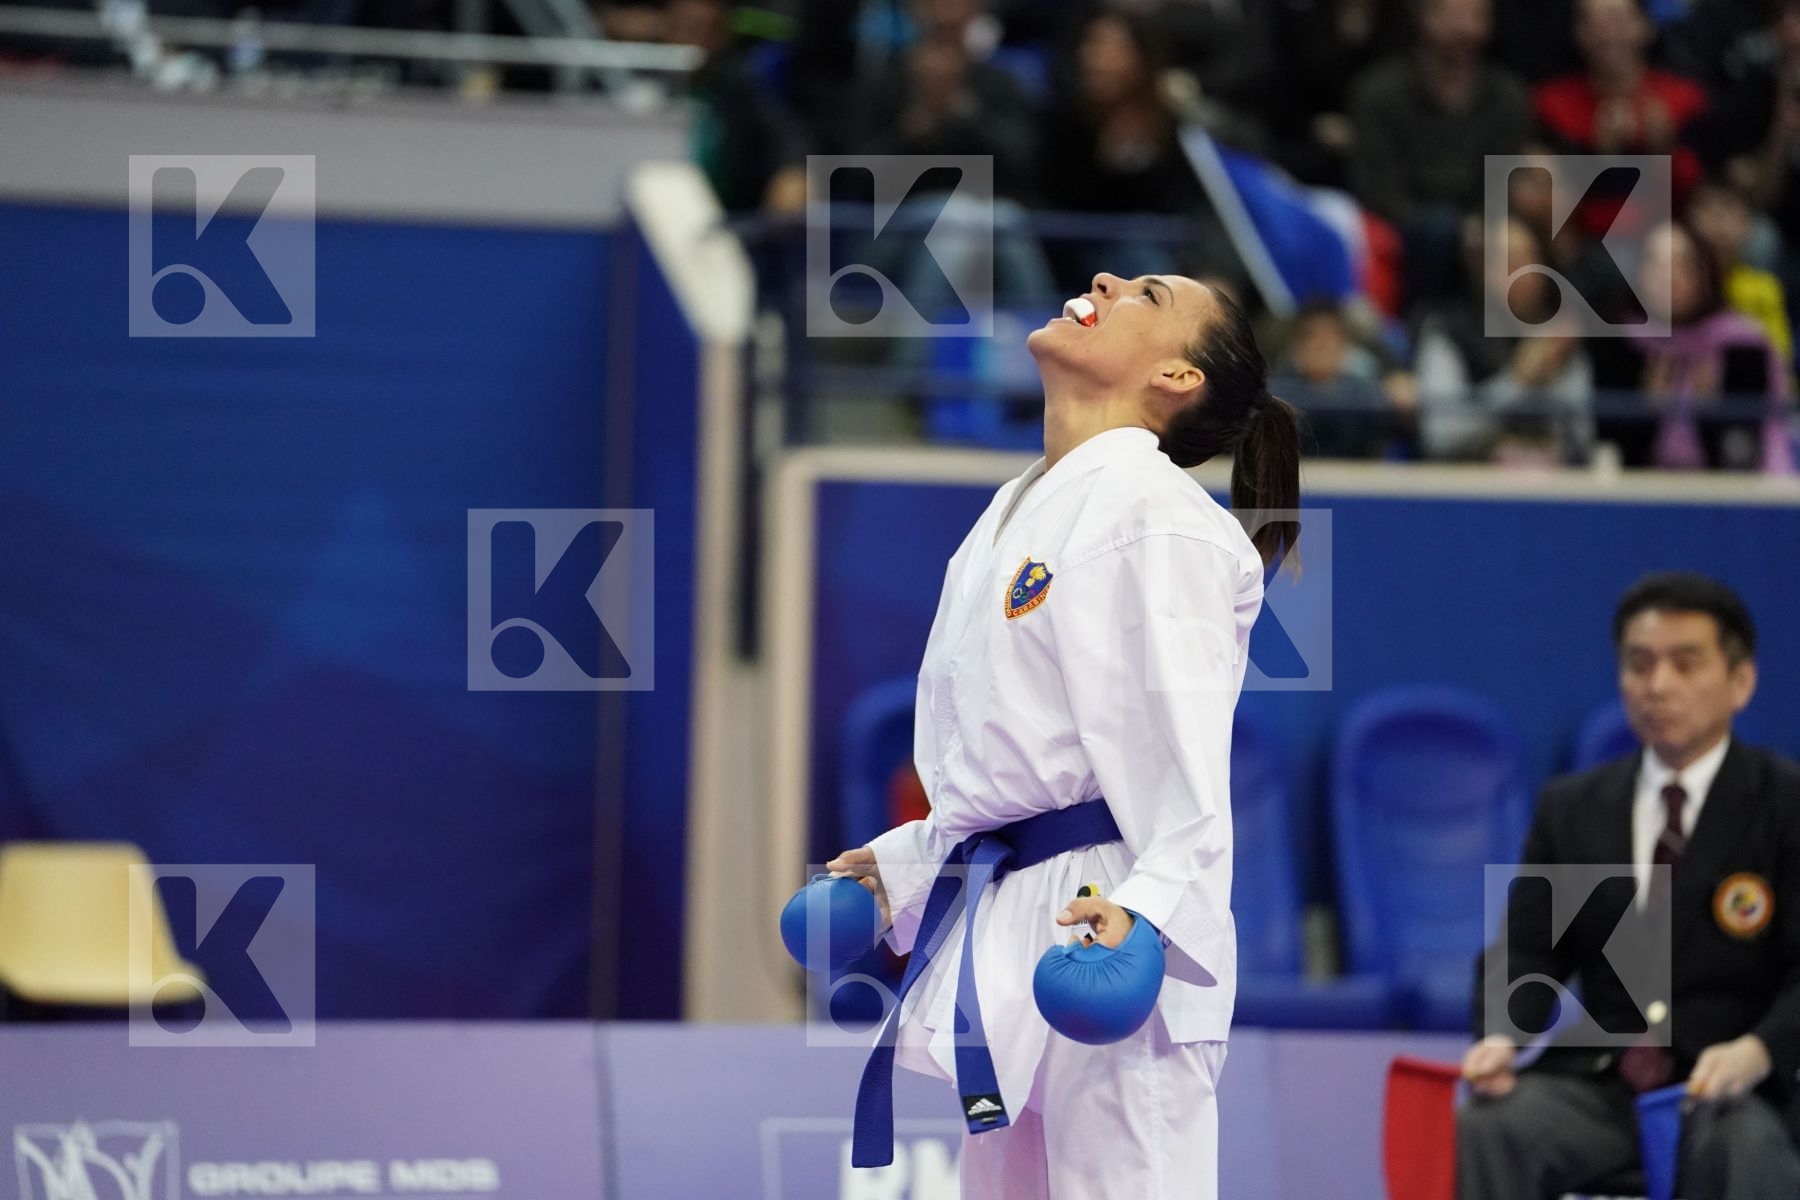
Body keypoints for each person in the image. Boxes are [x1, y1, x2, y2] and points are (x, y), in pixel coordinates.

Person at [825, 272, 1303, 1197]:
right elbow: (1016, 759)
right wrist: (911, 858)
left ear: (1176, 374)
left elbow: (1189, 769)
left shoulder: (1161, 519)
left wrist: (1153, 911)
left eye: (1147, 293)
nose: (1105, 280)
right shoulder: (1016, 507)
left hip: (1113, 913)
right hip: (1015, 915)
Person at [1458, 573, 1800, 1200]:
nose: (1658, 685)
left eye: (1685, 663)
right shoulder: (1577, 807)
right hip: (1606, 1087)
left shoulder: (1784, 805)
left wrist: (1759, 1050)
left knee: (1741, 1144)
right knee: (1493, 1121)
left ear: (1741, 682)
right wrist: (1501, 1034)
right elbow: (1530, 949)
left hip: (1739, 1088)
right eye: (1639, 665)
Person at [1347, 0, 1533, 307]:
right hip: (1408, 226)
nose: (1465, 28)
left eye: (1477, 15)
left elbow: (1508, 180)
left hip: (1485, 220)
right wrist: (1453, 229)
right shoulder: (1378, 92)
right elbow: (1377, 188)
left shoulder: (1507, 95)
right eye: (1453, 14)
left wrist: (1478, 223)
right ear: (1422, 17)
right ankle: (1425, 324)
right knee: (1438, 229)